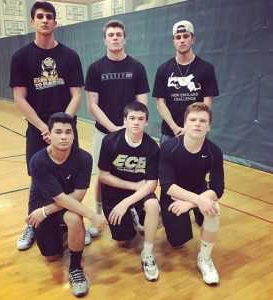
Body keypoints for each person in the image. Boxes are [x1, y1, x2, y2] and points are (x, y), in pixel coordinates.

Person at [9, 1, 85, 250]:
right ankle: (32, 223)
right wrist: (45, 128)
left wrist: (62, 127)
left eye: (49, 17)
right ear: (32, 21)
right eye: (39, 16)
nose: (44, 20)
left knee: (71, 177)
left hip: (64, 129)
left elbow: (76, 95)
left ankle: (74, 223)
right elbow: (19, 98)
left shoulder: (70, 56)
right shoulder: (21, 57)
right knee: (37, 179)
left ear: (55, 22)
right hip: (38, 128)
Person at [27, 112, 108, 297]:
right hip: (40, 206)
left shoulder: (84, 158)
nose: (63, 136)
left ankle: (76, 268)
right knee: (51, 256)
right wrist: (92, 215)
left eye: (68, 132)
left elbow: (78, 195)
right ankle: (44, 229)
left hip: (55, 208)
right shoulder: (38, 161)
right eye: (58, 132)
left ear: (73, 134)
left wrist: (47, 212)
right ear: (49, 134)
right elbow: (60, 198)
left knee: (74, 218)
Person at [85, 19, 150, 237]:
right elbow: (92, 106)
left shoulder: (137, 68)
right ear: (104, 40)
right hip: (104, 133)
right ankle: (98, 215)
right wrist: (113, 128)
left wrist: (129, 129)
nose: (114, 38)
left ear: (125, 38)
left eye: (118, 34)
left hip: (131, 134)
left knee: (132, 173)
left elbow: (142, 104)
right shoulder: (95, 68)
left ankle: (133, 210)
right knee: (102, 176)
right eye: (110, 35)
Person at [158, 102, 224, 286]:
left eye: (203, 121)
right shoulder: (169, 147)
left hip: (196, 193)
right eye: (193, 120)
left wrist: (192, 203)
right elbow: (167, 185)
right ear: (185, 123)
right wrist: (197, 201)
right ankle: (164, 216)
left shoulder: (214, 151)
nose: (197, 124)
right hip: (173, 196)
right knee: (178, 242)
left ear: (209, 126)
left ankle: (204, 258)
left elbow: (218, 188)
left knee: (213, 209)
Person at [98, 102, 160, 281]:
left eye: (141, 119)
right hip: (116, 190)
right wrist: (132, 188)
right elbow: (103, 176)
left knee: (153, 205)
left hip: (140, 191)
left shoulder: (152, 147)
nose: (136, 123)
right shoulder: (110, 141)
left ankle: (147, 253)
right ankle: (134, 215)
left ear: (147, 122)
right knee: (122, 241)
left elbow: (151, 184)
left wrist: (127, 202)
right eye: (132, 118)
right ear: (124, 120)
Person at [153, 20, 219, 144]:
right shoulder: (163, 69)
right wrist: (175, 128)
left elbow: (208, 102)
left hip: (196, 132)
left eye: (185, 36)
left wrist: (190, 128)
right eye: (178, 37)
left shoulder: (206, 68)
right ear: (174, 42)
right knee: (167, 164)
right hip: (170, 133)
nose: (182, 40)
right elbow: (160, 103)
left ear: (193, 39)